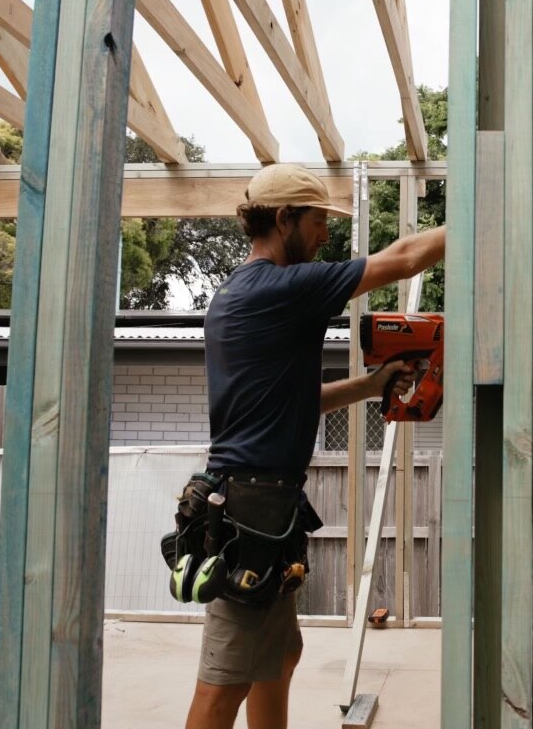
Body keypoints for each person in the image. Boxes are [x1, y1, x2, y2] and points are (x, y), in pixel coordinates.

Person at [184, 164, 445, 729]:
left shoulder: (242, 292)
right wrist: (481, 218)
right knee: (223, 680)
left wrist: (372, 386)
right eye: (319, 220)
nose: (325, 234)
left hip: (262, 508)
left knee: (280, 655)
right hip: (249, 514)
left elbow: (296, 402)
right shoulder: (279, 287)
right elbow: (404, 259)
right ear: (284, 219)